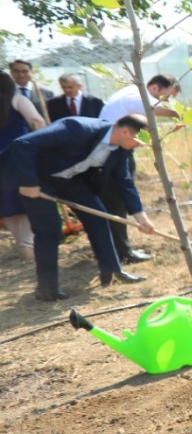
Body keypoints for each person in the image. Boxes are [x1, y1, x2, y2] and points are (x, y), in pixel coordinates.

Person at [0, 113, 155, 301]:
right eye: (140, 140)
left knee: (99, 217)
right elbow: (23, 145)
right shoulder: (76, 128)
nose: (141, 145)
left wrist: (141, 217)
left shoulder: (121, 149)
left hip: (70, 179)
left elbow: (125, 182)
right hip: (38, 178)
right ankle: (46, 288)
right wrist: (28, 182)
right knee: (49, 229)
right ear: (125, 132)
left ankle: (112, 273)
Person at [98, 75, 182, 264]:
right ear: (154, 88)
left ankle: (121, 249)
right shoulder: (137, 94)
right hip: (111, 151)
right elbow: (159, 109)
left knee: (120, 198)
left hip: (118, 147)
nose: (170, 102)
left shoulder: (130, 94)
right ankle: (122, 252)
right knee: (117, 199)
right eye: (169, 97)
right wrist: (186, 113)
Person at [0, 71, 45, 263]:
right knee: (26, 197)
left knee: (5, 202)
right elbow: (36, 120)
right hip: (19, 155)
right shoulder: (18, 99)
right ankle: (27, 243)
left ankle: (21, 241)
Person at [7, 60, 51, 126]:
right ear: (11, 72)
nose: (21, 74)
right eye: (16, 71)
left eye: (25, 71)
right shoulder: (5, 95)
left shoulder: (47, 94)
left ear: (31, 72)